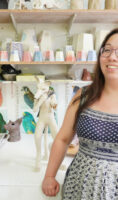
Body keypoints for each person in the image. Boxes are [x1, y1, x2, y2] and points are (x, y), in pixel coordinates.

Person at [42, 28, 118, 200]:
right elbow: (62, 138)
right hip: (79, 186)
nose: (112, 57)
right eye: (107, 49)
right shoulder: (83, 95)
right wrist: (49, 176)